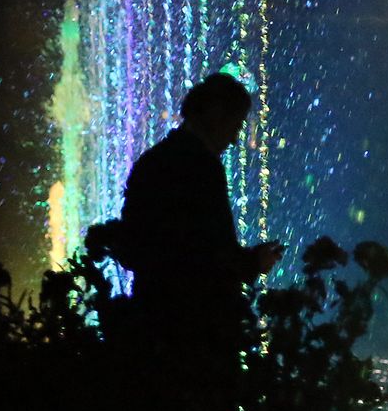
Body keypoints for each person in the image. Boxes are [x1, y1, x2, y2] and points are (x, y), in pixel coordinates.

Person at [118, 73, 284, 344]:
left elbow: (133, 247)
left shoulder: (152, 161)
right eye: (236, 125)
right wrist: (254, 262)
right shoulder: (203, 168)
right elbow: (212, 252)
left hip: (152, 321)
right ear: (216, 114)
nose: (233, 140)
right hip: (196, 329)